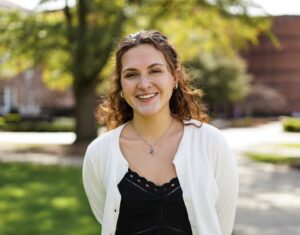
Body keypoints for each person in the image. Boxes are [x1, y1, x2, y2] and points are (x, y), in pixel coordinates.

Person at [82, 30, 238, 235]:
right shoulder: (99, 152)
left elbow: (221, 224)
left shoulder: (211, 143)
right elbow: (104, 215)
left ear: (174, 77)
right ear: (121, 85)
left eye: (155, 71)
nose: (144, 84)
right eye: (131, 74)